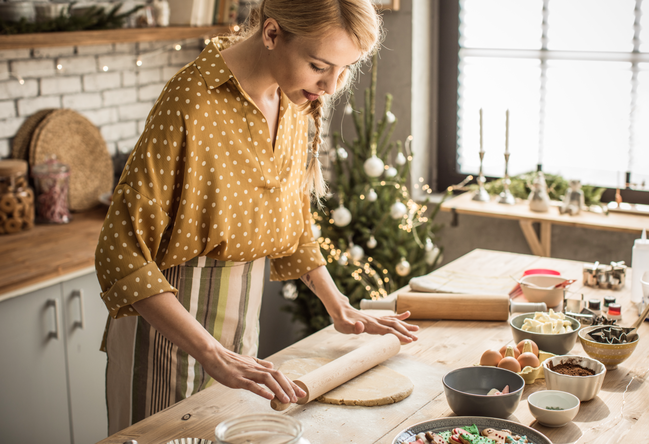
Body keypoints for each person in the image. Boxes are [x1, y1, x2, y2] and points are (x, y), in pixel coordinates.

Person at [95, 0, 418, 434]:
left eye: (345, 70)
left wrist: (338, 305)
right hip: (167, 340)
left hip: (239, 335)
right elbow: (121, 254)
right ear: (271, 34)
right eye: (320, 66)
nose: (331, 85)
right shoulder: (191, 100)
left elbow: (292, 220)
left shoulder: (294, 101)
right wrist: (212, 353)